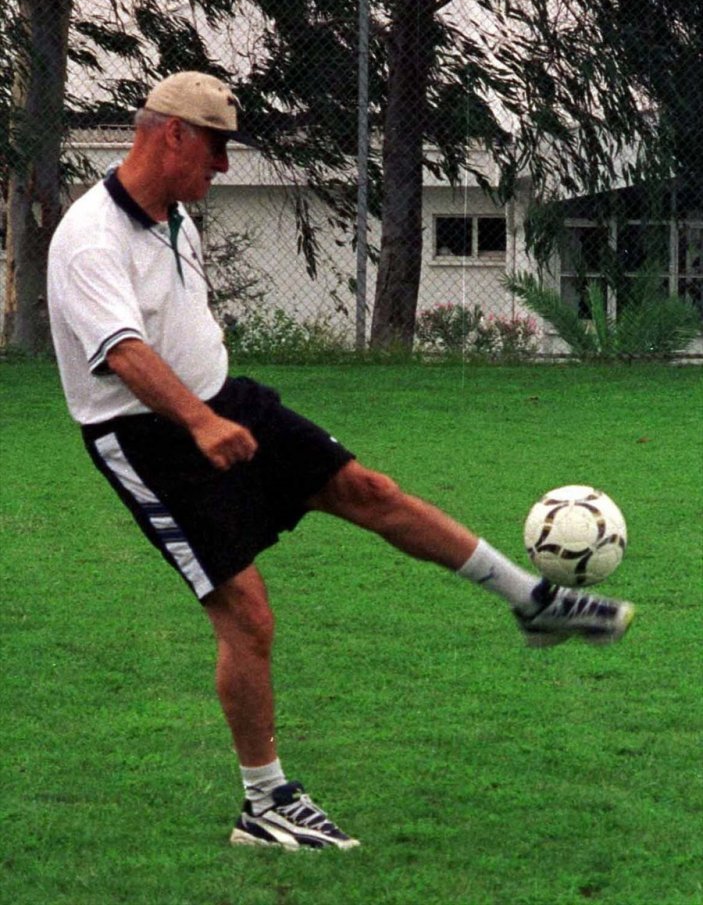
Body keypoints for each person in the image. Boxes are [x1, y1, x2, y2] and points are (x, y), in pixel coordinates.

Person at [47, 71, 635, 852]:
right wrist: (196, 422)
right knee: (247, 615)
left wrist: (215, 406)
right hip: (151, 439)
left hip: (224, 400)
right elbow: (120, 351)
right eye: (217, 148)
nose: (223, 167)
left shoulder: (173, 216)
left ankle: (532, 599)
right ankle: (264, 803)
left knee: (368, 488)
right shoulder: (90, 236)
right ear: (172, 136)